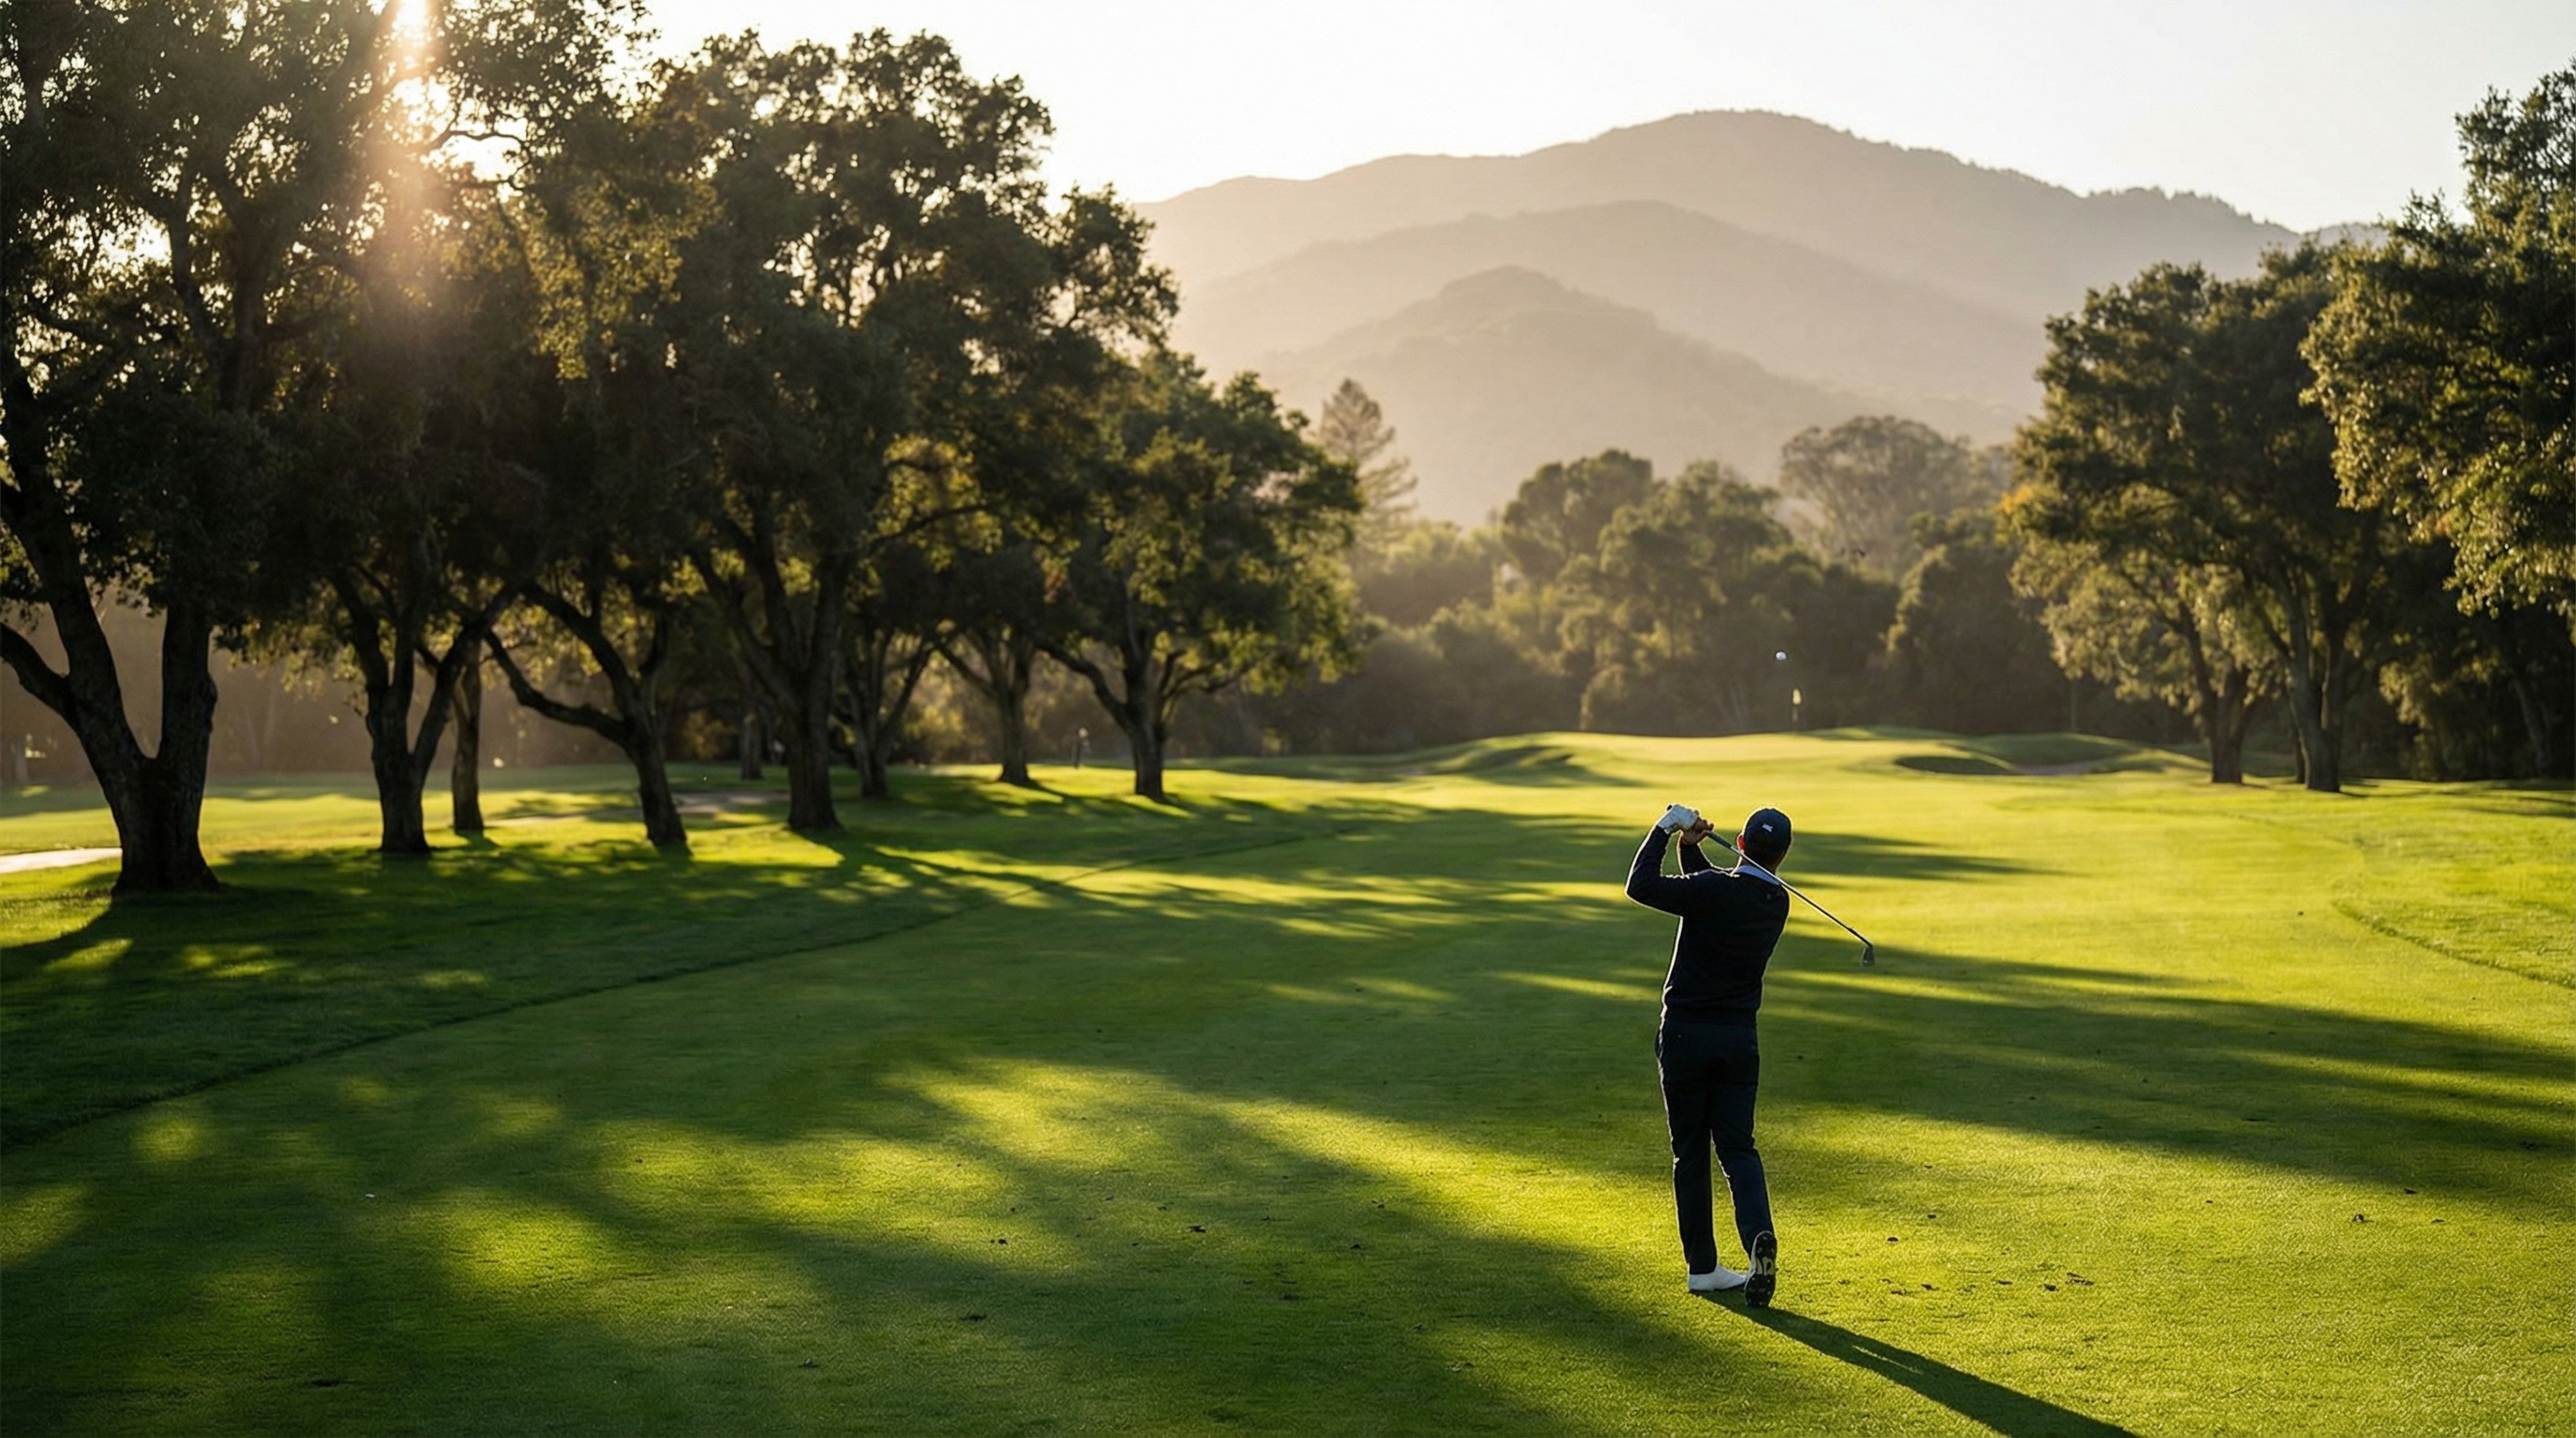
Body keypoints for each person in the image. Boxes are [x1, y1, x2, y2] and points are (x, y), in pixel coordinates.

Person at [1624, 800, 1795, 1305]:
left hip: (1685, 1037)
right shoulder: (1776, 901)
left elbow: (1641, 885)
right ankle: (1758, 1236)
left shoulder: (1715, 890)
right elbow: (1714, 893)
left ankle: (1702, 1268)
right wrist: (1689, 848)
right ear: (1783, 855)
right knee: (1738, 1148)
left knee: (1691, 1153)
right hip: (1738, 1041)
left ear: (1740, 844)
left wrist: (1664, 829)